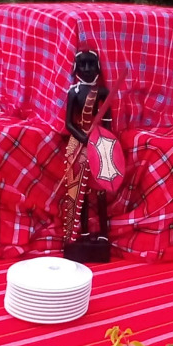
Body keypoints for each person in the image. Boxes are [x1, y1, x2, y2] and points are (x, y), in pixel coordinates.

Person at [61, 49, 111, 262]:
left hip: (100, 142)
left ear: (98, 67)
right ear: (76, 68)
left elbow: (107, 121)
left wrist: (101, 139)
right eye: (83, 65)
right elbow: (68, 123)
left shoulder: (103, 92)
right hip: (79, 142)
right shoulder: (73, 92)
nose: (88, 69)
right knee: (78, 188)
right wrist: (82, 137)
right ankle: (80, 232)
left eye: (91, 64)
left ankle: (103, 233)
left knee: (101, 190)